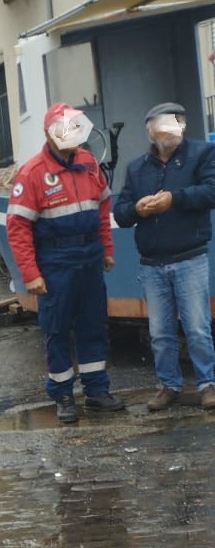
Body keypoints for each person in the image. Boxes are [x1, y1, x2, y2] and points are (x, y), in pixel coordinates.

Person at [6, 102, 125, 423]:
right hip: (55, 263)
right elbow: (17, 228)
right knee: (57, 330)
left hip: (88, 259)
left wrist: (107, 248)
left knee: (93, 325)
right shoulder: (31, 174)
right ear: (49, 133)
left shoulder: (88, 164)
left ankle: (96, 391)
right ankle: (63, 397)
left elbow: (102, 207)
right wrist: (30, 274)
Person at [113, 102, 215, 411]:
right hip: (152, 263)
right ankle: (168, 386)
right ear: (150, 131)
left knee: (197, 327)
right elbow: (120, 212)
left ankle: (208, 384)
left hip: (190, 257)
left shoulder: (202, 154)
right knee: (159, 332)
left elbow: (211, 191)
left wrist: (175, 199)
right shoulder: (136, 167)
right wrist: (136, 209)